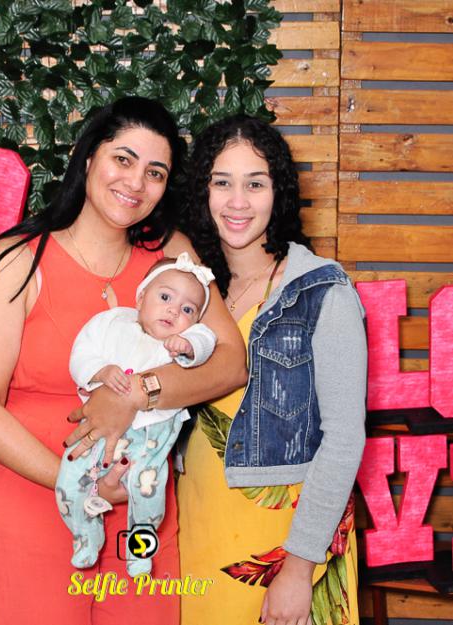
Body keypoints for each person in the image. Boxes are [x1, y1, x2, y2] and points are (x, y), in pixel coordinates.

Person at [0, 97, 246, 625]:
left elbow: (230, 362)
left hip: (142, 511)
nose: (136, 182)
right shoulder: (16, 261)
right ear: (89, 159)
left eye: (155, 172)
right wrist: (80, 484)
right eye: (123, 159)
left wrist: (139, 393)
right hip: (34, 504)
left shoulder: (171, 259)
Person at [178, 114, 367, 625]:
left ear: (278, 191)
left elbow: (344, 438)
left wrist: (299, 568)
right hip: (196, 523)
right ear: (202, 190)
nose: (237, 202)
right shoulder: (189, 289)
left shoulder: (321, 290)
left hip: (286, 540)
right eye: (222, 182)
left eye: (255, 184)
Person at [58, 252, 217, 576]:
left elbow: (207, 340)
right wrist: (100, 371)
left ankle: (140, 551)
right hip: (100, 432)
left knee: (149, 497)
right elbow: (82, 351)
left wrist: (190, 345)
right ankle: (85, 535)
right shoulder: (114, 322)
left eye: (188, 309)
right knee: (69, 480)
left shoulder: (179, 345)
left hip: (151, 439)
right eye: (165, 297)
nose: (174, 310)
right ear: (142, 297)